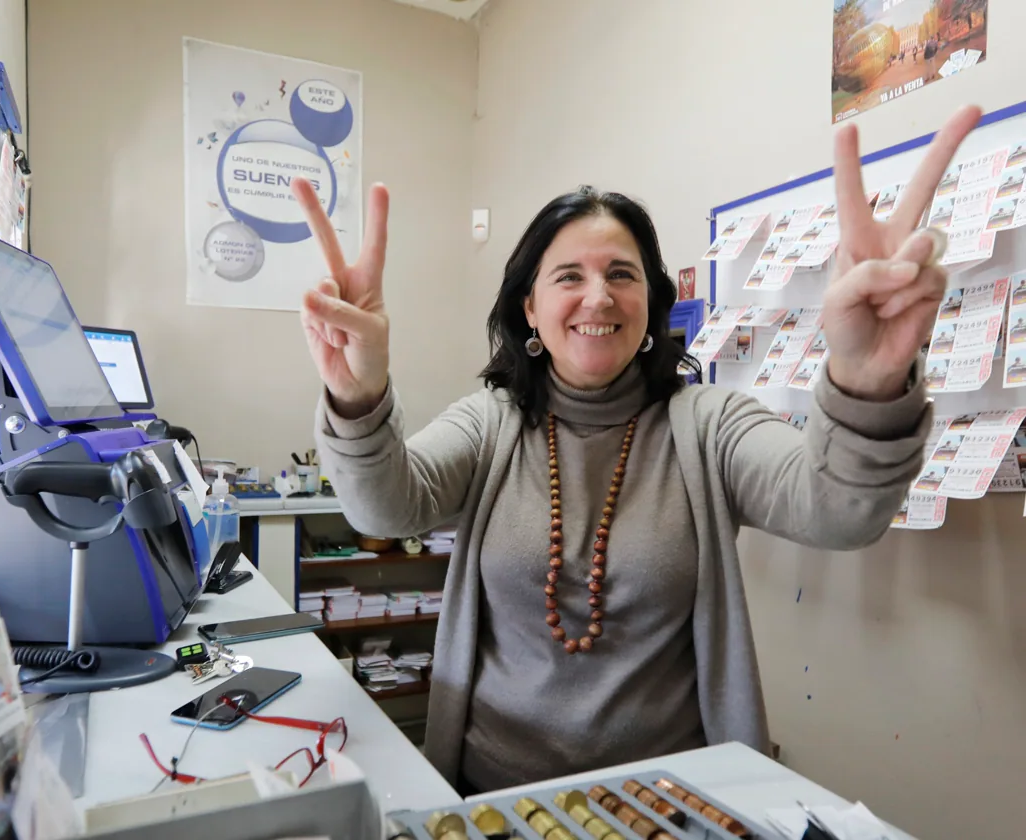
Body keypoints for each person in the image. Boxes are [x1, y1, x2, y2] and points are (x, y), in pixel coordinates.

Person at [291, 104, 982, 794]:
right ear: (528, 307)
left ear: (650, 301)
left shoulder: (708, 424)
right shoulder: (490, 423)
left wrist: (866, 377)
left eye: (622, 274)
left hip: (670, 799)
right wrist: (359, 394)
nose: (599, 297)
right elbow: (384, 508)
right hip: (494, 799)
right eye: (568, 276)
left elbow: (839, 513)